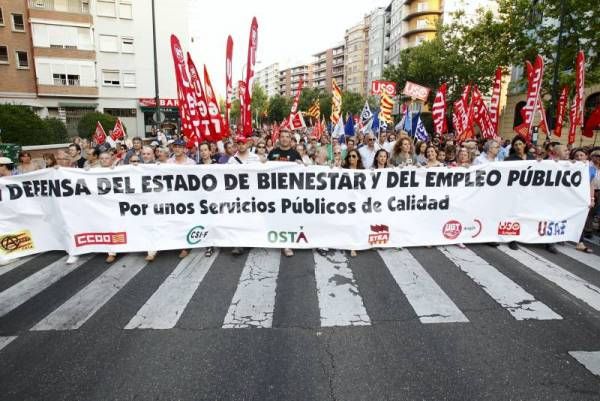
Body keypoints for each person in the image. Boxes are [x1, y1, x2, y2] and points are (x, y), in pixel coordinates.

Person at [268, 129, 302, 257]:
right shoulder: (272, 153)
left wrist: (300, 164)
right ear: (279, 138)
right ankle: (277, 239)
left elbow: (303, 172)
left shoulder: (295, 154)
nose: (284, 139)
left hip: (290, 192)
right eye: (282, 136)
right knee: (277, 217)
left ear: (290, 139)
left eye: (287, 137)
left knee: (288, 217)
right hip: (275, 191)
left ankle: (286, 243)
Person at [344, 149, 363, 257]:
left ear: (358, 158)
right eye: (349, 156)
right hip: (347, 202)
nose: (351, 158)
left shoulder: (364, 171)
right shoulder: (343, 170)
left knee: (358, 224)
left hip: (360, 203)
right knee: (350, 224)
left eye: (354, 156)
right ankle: (352, 246)